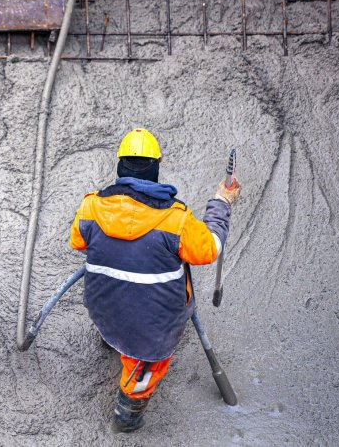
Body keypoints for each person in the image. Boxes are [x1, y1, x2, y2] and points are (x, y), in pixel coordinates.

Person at [69, 128, 241, 432]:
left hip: (103, 308)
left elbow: (78, 242)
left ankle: (111, 340)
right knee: (144, 369)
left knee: (115, 322)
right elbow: (210, 248)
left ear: (121, 165)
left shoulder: (90, 207)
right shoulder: (177, 220)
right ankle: (127, 417)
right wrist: (222, 202)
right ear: (155, 167)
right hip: (151, 326)